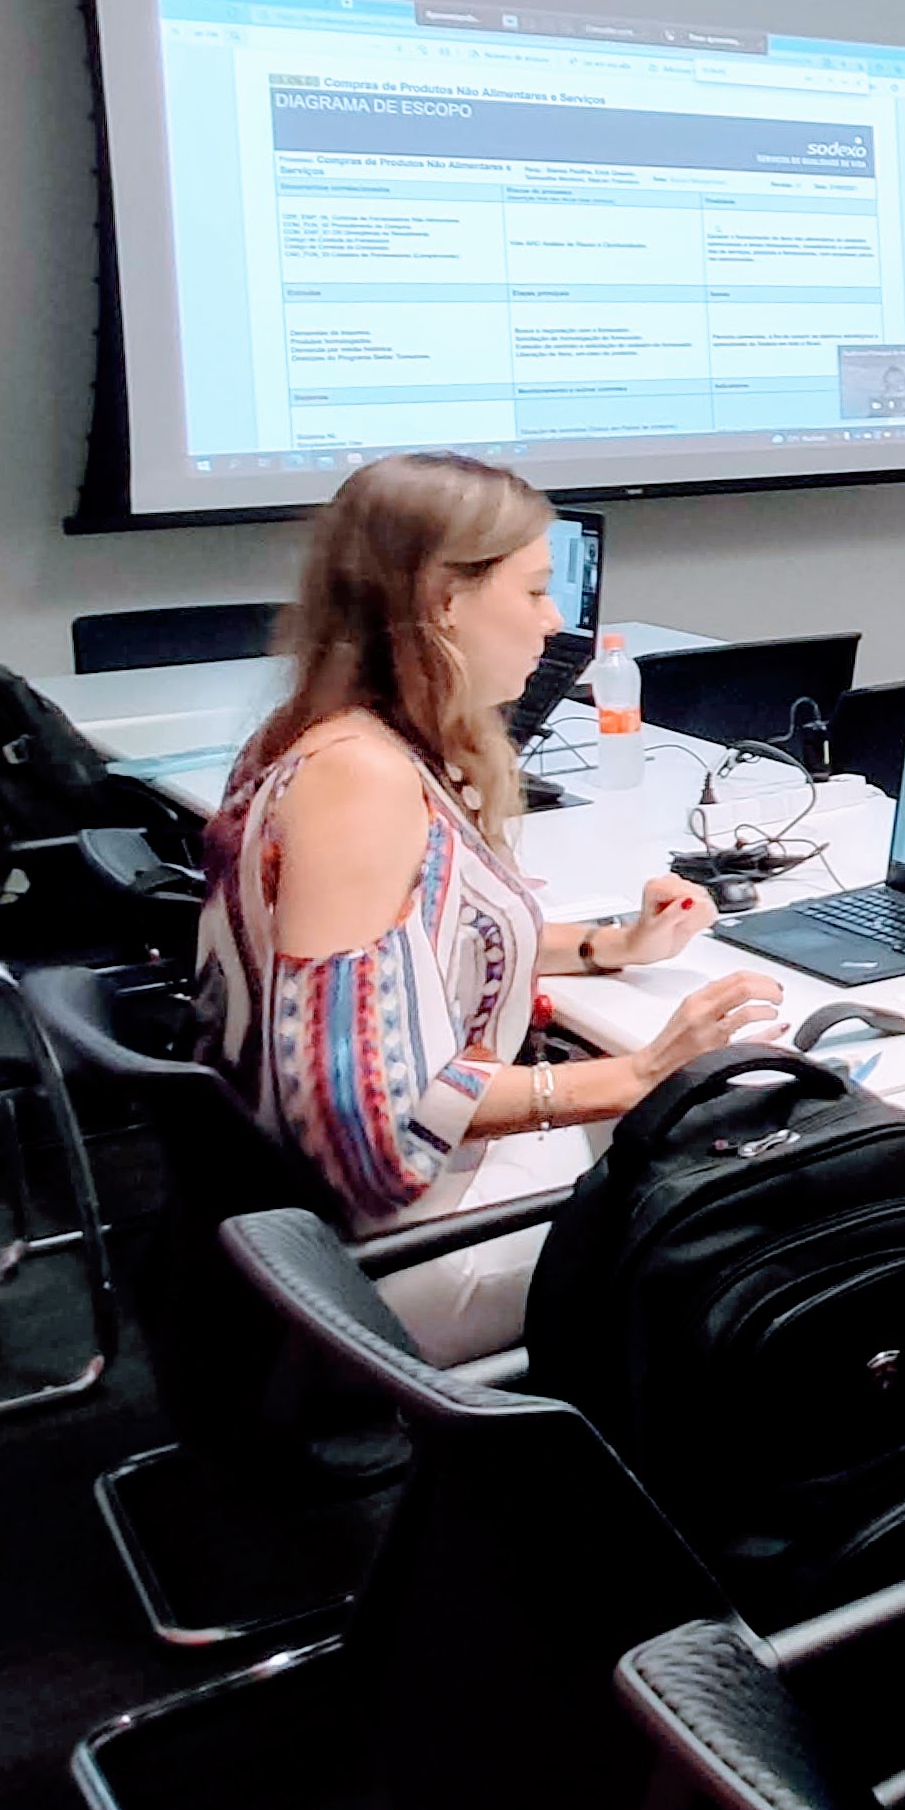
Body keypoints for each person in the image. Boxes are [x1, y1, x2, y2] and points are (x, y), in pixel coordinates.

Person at [192, 452, 780, 1361]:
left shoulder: (330, 733)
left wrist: (609, 945)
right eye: (537, 591)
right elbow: (370, 1120)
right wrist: (635, 1075)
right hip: (405, 1253)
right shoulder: (360, 781)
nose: (554, 622)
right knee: (756, 1210)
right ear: (443, 601)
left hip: (338, 1228)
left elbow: (408, 954)